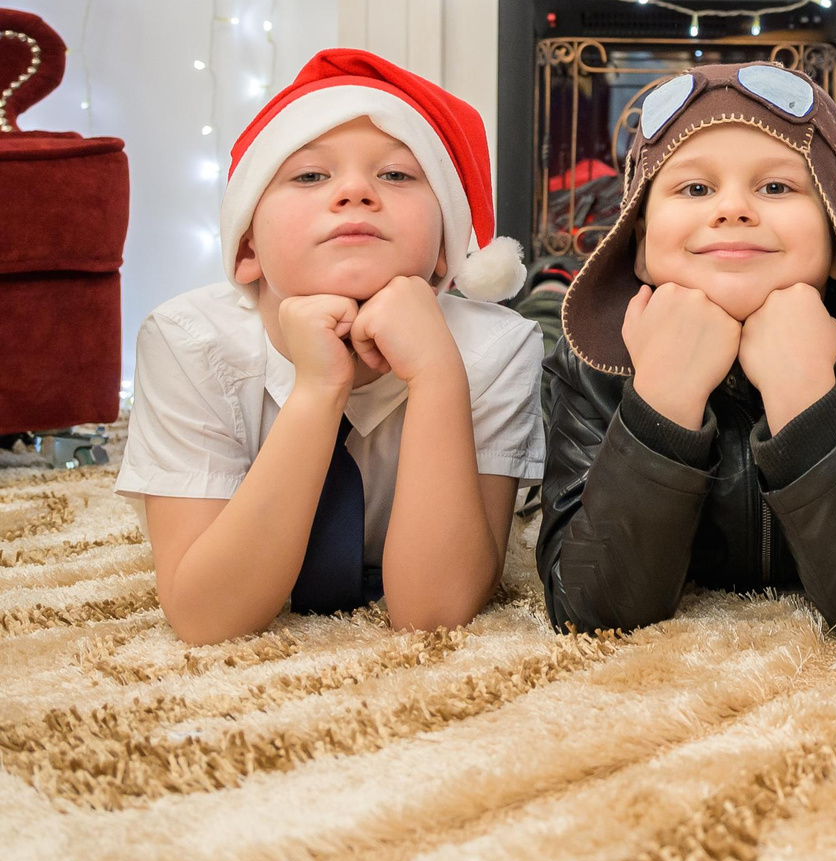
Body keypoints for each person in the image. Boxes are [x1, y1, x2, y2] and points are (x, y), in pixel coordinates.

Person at [119, 50, 542, 644]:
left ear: (446, 251)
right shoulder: (187, 340)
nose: (354, 191)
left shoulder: (497, 346)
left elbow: (435, 611)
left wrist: (437, 374)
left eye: (395, 175)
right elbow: (205, 616)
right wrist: (318, 391)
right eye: (309, 176)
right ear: (246, 250)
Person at [538, 62, 836, 637]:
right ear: (638, 244)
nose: (732, 210)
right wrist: (662, 397)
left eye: (776, 187)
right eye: (695, 188)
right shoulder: (591, 362)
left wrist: (805, 393)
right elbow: (593, 611)